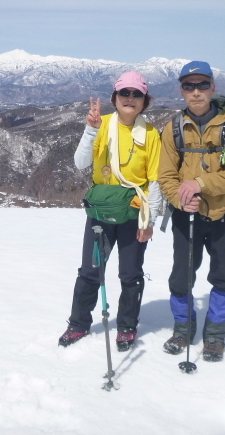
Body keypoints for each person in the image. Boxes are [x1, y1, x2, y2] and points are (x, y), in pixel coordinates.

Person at [58, 71, 163, 352]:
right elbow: (80, 163)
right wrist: (91, 129)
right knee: (90, 271)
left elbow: (154, 181)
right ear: (115, 98)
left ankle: (127, 325)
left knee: (130, 274)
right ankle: (78, 323)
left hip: (133, 213)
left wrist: (150, 219)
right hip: (101, 213)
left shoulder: (152, 135)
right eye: (125, 93)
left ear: (144, 101)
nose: (130, 99)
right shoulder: (100, 124)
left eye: (136, 94)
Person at [158, 60, 225, 362]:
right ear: (181, 90)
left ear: (213, 87)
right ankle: (183, 328)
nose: (196, 92)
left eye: (202, 85)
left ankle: (214, 335)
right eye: (189, 86)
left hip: (223, 214)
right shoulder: (172, 129)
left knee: (222, 276)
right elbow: (166, 175)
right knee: (180, 277)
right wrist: (179, 199)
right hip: (186, 216)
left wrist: (199, 183)